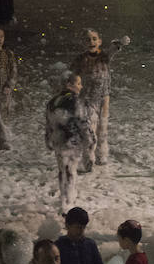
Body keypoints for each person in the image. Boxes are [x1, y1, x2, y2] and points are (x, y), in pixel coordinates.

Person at [70, 28, 128, 171]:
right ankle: (87, 158)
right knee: (90, 130)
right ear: (83, 43)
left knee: (102, 128)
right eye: (88, 39)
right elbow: (72, 76)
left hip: (104, 98)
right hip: (88, 99)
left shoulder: (104, 56)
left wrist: (119, 43)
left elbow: (112, 50)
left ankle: (101, 154)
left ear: (100, 41)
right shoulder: (80, 59)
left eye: (94, 39)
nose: (91, 42)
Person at [44, 72, 92, 213]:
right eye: (78, 83)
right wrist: (90, 142)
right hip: (72, 142)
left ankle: (63, 200)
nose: (81, 86)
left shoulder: (52, 102)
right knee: (70, 171)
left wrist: (48, 139)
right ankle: (68, 204)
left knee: (62, 171)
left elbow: (48, 124)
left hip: (58, 142)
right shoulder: (77, 101)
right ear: (69, 85)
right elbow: (83, 124)